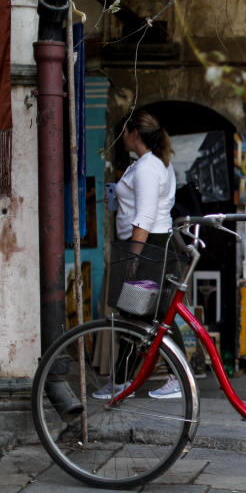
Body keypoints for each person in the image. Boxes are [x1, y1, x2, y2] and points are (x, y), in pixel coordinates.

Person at [94, 110, 182, 400]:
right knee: (151, 314)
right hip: (154, 244)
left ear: (134, 133)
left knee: (139, 315)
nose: (121, 139)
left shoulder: (146, 167)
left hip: (147, 245)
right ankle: (123, 381)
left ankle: (125, 383)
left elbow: (144, 216)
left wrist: (133, 256)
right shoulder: (154, 163)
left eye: (124, 133)